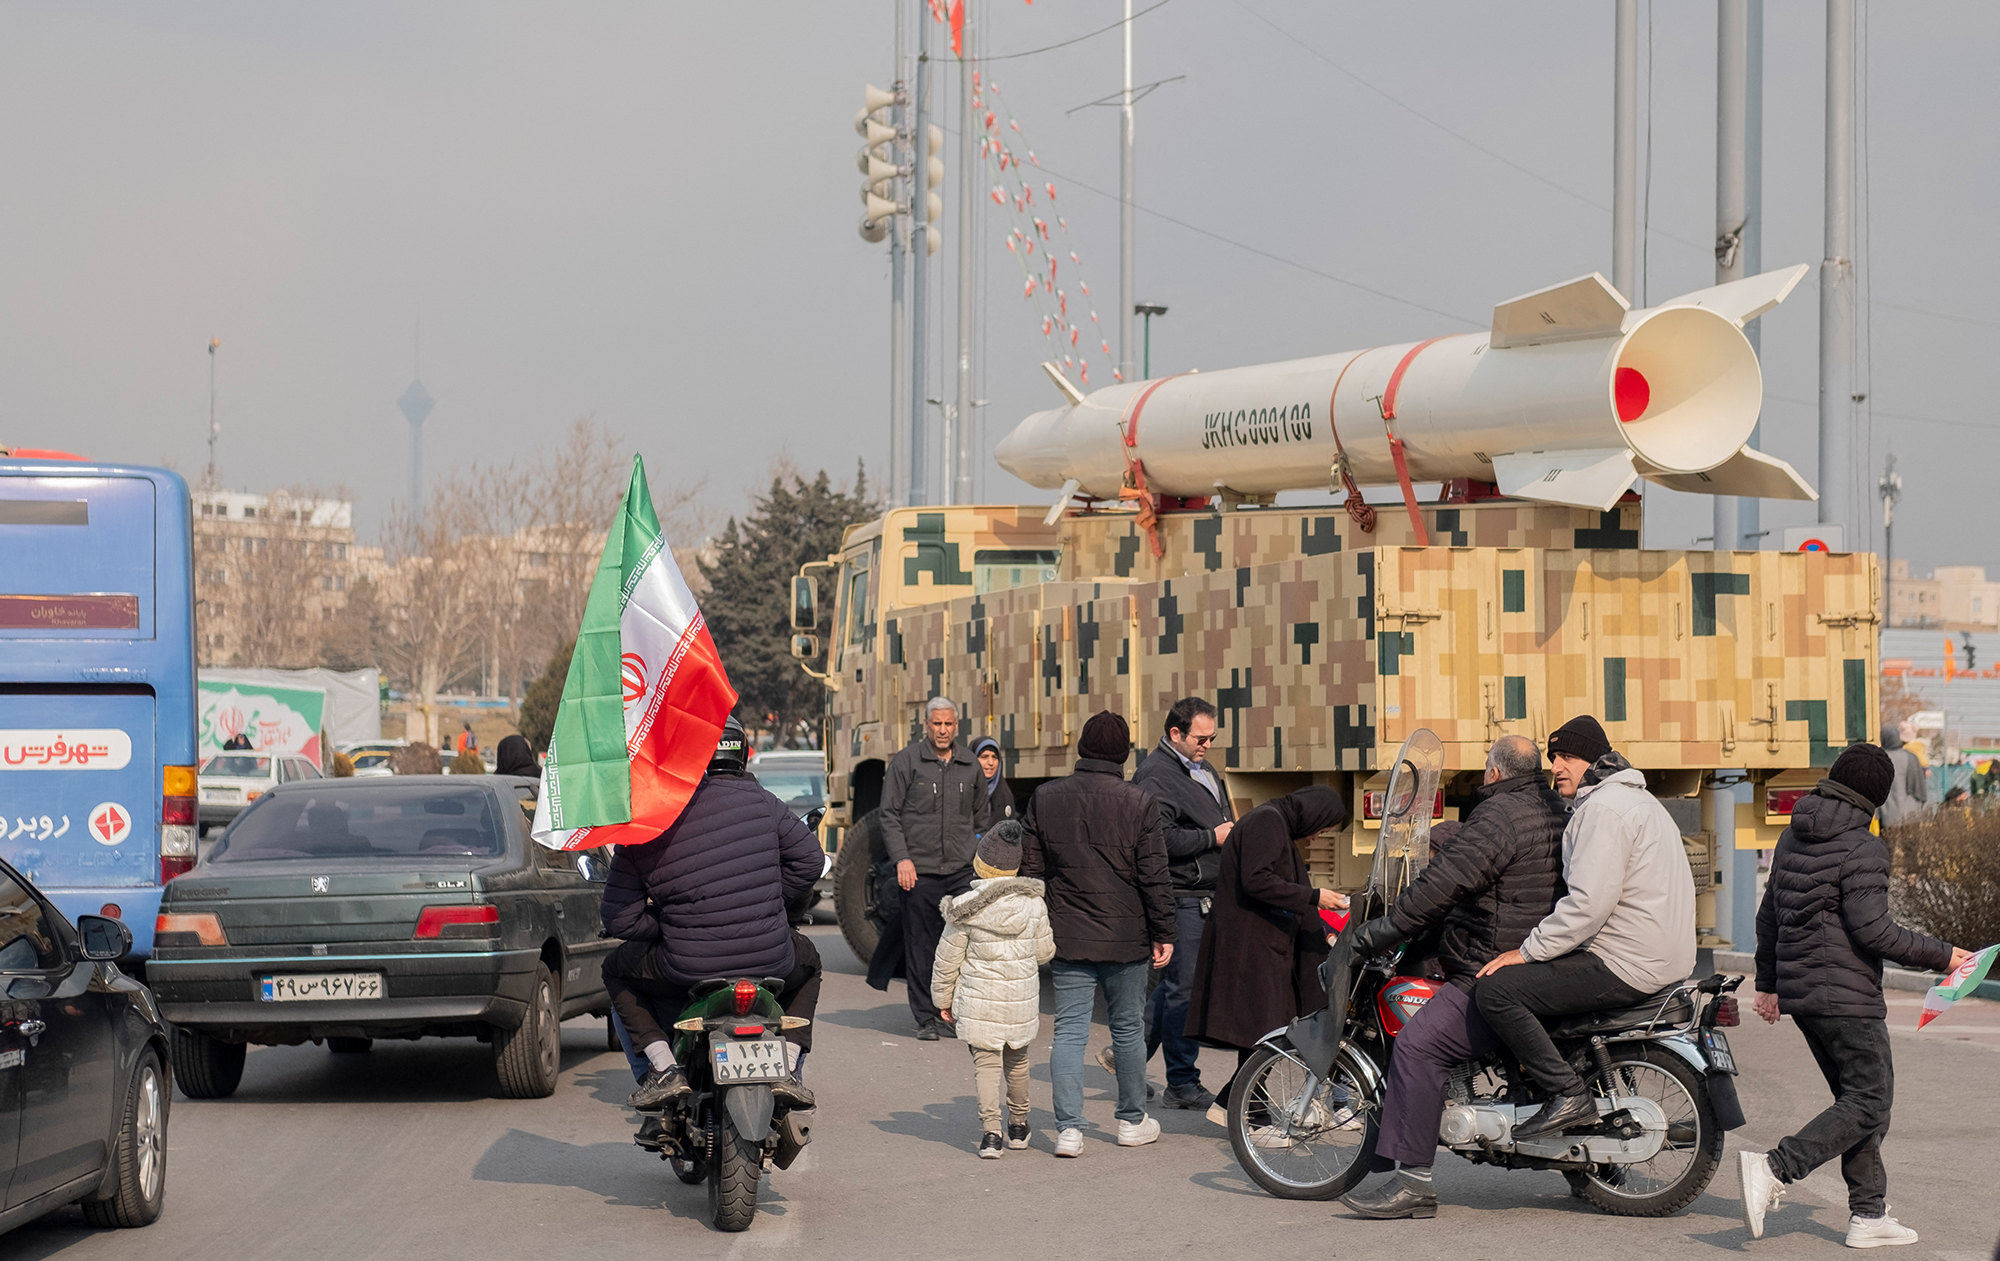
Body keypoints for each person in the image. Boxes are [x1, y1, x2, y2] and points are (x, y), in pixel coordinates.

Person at [1738, 743, 1970, 1248]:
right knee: (1870, 1100)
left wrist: (1770, 984)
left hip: (1806, 996)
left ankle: (1869, 1216)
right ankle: (1776, 1167)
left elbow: (1768, 917)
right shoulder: (1863, 846)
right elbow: (1875, 932)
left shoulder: (1792, 837)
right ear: (1876, 797)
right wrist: (1946, 955)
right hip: (1846, 995)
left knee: (1860, 1102)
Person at [1338, 735, 1567, 1219]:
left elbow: (1443, 883)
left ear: (1494, 773)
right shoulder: (1551, 805)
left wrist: (1383, 930)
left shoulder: (1499, 816)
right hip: (1538, 956)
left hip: (1488, 964)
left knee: (1419, 1045)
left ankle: (1413, 1183)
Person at [1472, 714, 1694, 1141]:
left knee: (1497, 990)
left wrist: (1526, 951)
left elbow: (1587, 905)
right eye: (1554, 756)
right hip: (1658, 956)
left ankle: (1567, 1093)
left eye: (1568, 756)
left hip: (1627, 960)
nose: (1556, 766)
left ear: (1594, 761)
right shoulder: (1638, 801)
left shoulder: (1604, 810)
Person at [600, 717, 825, 1118]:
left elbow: (620, 919)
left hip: (686, 965)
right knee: (810, 964)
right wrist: (773, 903)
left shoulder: (651, 818)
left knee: (616, 968)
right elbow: (810, 860)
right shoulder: (764, 802)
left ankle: (663, 1068)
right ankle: (788, 1066)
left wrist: (668, 925)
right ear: (742, 757)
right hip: (771, 958)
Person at [1020, 709, 1176, 1156]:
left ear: (1082, 748)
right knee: (1127, 1029)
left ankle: (1069, 1129)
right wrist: (1164, 930)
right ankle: (1130, 1121)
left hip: (1067, 933)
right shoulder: (1139, 802)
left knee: (1069, 1030)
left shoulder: (1046, 798)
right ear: (1125, 753)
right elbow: (1154, 875)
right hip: (1127, 937)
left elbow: (1031, 872)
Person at [1183, 785, 1349, 1122]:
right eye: (1323, 828)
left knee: (1262, 1031)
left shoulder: (1272, 821)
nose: (1318, 836)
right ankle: (1251, 1116)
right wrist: (1315, 896)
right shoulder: (1267, 822)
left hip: (1258, 943)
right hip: (1251, 944)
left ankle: (1233, 1104)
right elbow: (1257, 880)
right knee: (1263, 1030)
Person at [1125, 696, 1235, 1112]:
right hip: (1182, 897)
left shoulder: (1200, 768)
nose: (1207, 745)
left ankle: (1128, 1060)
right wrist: (1213, 839)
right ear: (1175, 733)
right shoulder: (1155, 776)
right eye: (1200, 738)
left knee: (1180, 988)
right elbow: (1159, 840)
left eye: (1212, 738)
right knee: (1183, 991)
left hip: (1206, 894)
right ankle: (1181, 1082)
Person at [931, 820, 1055, 1158]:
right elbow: (1044, 954)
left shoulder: (965, 908)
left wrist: (943, 1000)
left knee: (985, 1066)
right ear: (1015, 866)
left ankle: (991, 1135)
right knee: (1018, 1063)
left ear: (980, 864)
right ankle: (1018, 1126)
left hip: (979, 1003)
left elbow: (948, 959)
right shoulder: (1033, 905)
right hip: (1019, 1003)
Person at [878, 697, 983, 1039]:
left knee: (964, 946)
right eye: (936, 724)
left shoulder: (971, 765)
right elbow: (888, 815)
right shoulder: (907, 763)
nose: (942, 730)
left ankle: (956, 1011)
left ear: (957, 725)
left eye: (948, 724)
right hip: (919, 871)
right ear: (926, 725)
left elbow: (983, 818)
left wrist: (981, 862)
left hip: (962, 870)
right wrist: (902, 859)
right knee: (922, 946)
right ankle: (926, 1018)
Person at [1877, 726, 1928, 827]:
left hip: (1886, 816)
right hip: (1911, 815)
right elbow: (1920, 788)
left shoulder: (1879, 757)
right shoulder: (1911, 757)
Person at [971, 735, 1015, 834]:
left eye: (995, 757)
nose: (990, 763)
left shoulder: (1004, 793)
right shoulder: (964, 789)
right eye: (984, 757)